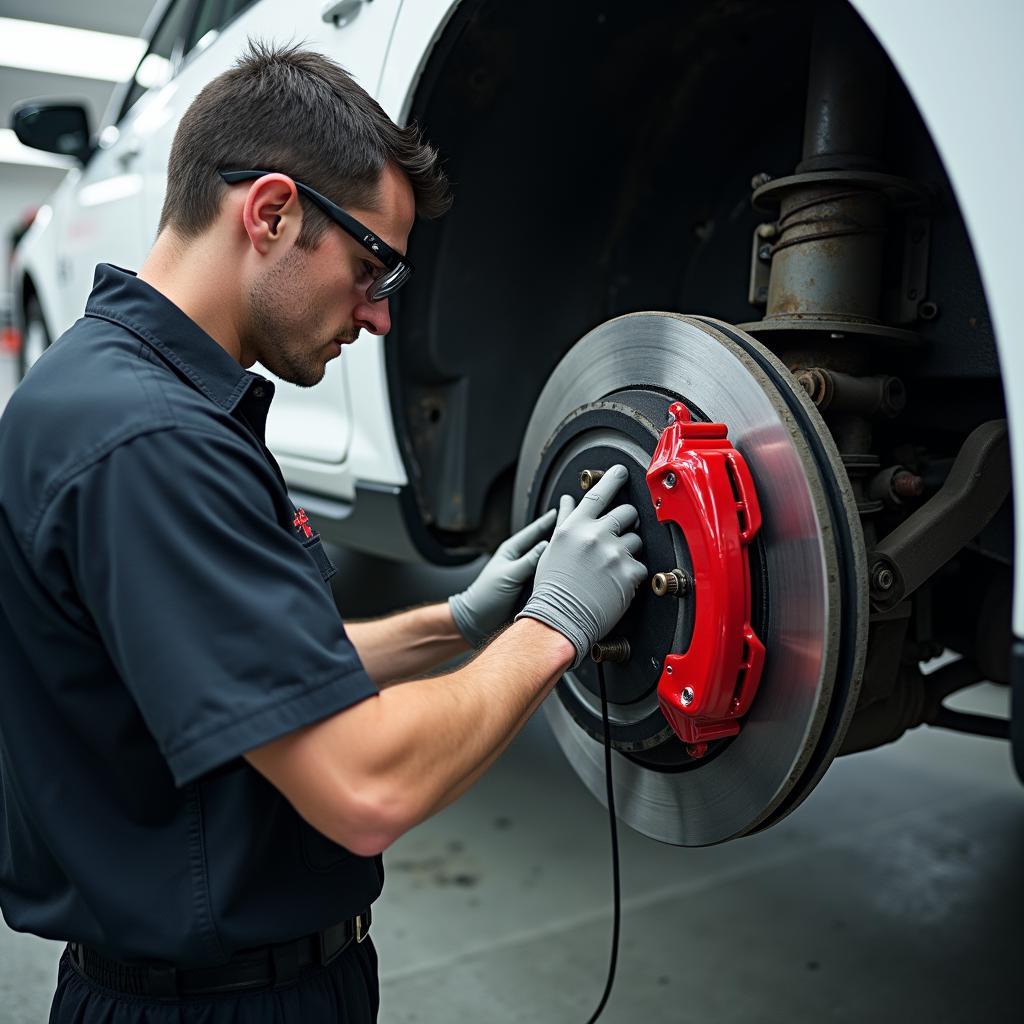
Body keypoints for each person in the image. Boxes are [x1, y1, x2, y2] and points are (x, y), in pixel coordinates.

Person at [0, 42, 646, 1022]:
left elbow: (226, 671)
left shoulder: (108, 391)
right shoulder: (155, 444)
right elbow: (362, 782)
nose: (381, 320)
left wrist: (459, 622)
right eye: (373, 266)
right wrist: (553, 626)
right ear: (271, 212)